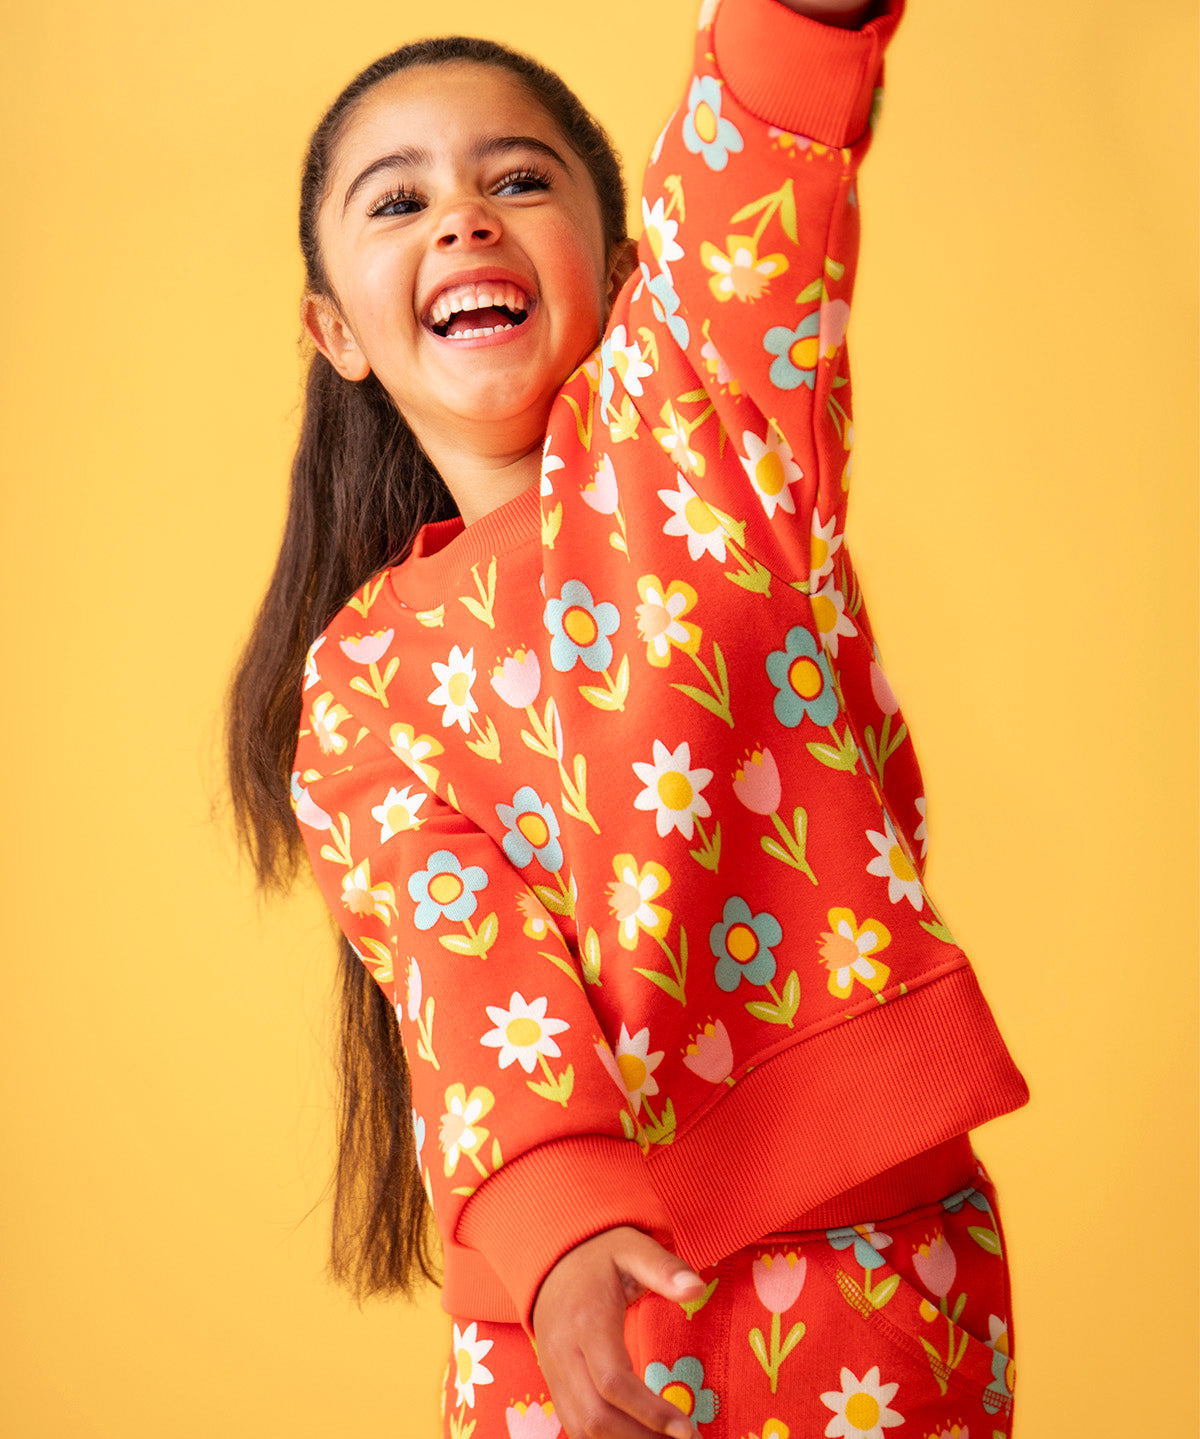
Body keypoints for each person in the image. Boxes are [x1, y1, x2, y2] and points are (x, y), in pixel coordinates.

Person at [228, 0, 1029, 1433]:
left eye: (519, 178)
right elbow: (461, 965)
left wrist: (797, 20)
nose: (465, 216)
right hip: (565, 1310)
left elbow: (745, 195)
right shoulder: (360, 684)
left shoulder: (708, 437)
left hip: (867, 1253)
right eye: (399, 200)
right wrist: (556, 1233)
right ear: (334, 329)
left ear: (622, 269)